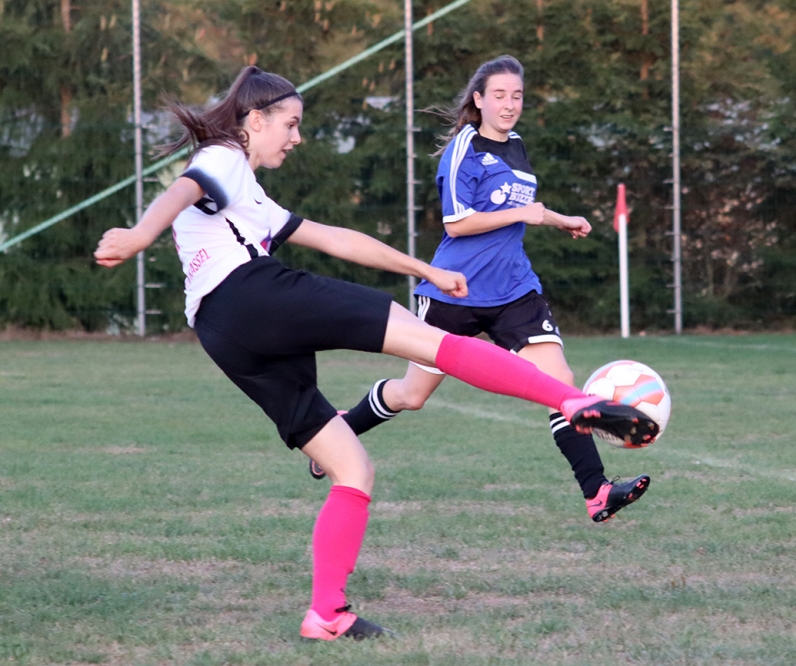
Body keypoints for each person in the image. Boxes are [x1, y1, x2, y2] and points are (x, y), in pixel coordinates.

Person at [93, 66, 657, 643]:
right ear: (255, 120)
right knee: (434, 344)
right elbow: (185, 187)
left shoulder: (250, 196)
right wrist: (140, 235)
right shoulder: (225, 157)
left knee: (353, 468)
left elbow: (334, 237)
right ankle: (572, 401)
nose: (296, 137)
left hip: (224, 334)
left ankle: (326, 615)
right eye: (290, 124)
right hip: (254, 295)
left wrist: (424, 269)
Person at [308, 55, 650, 524]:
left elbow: (523, 206)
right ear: (479, 99)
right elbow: (457, 222)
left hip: (514, 290)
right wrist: (525, 214)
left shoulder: (517, 146)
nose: (509, 104)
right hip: (456, 291)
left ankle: (598, 490)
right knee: (412, 395)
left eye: (517, 96)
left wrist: (558, 218)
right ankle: (339, 430)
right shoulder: (463, 148)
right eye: (500, 95)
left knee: (560, 383)